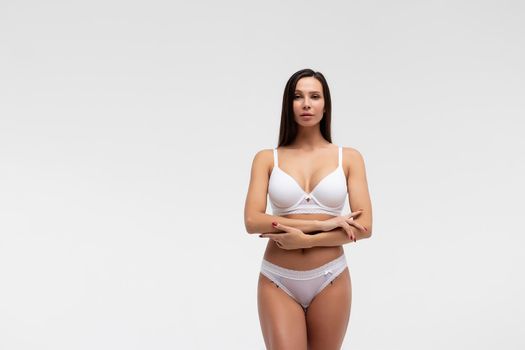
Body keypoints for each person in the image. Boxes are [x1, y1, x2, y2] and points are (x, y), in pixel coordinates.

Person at [243, 68, 373, 350]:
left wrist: (308, 240)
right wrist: (322, 224)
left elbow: (364, 228)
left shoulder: (349, 158)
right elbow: (253, 221)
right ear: (288, 105)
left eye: (314, 96)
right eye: (298, 96)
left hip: (331, 278)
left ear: (325, 106)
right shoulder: (267, 159)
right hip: (278, 279)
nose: (306, 104)